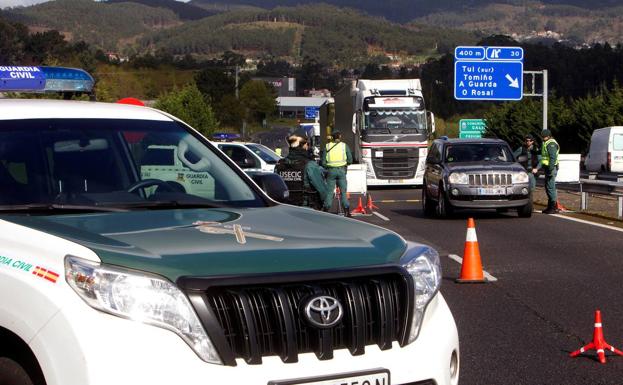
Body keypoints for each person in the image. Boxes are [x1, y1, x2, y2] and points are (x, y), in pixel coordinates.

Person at [274, 128, 327, 209]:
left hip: (286, 209)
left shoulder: (279, 164)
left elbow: (276, 190)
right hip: (307, 211)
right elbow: (323, 192)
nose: (308, 146)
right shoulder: (310, 165)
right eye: (307, 144)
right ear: (303, 145)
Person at [321, 129, 352, 216]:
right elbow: (350, 159)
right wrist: (345, 164)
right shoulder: (344, 146)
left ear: (332, 137)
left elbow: (323, 162)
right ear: (340, 136)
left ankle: (325, 210)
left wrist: (329, 166)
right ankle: (346, 211)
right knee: (343, 192)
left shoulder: (327, 146)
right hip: (341, 171)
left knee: (330, 192)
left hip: (331, 171)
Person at [540, 129, 560, 214]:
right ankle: (550, 207)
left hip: (551, 169)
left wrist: (550, 169)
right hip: (548, 168)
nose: (543, 138)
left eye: (544, 137)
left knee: (551, 188)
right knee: (548, 187)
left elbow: (552, 158)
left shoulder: (551, 143)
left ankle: (553, 207)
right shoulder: (547, 143)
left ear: (548, 136)